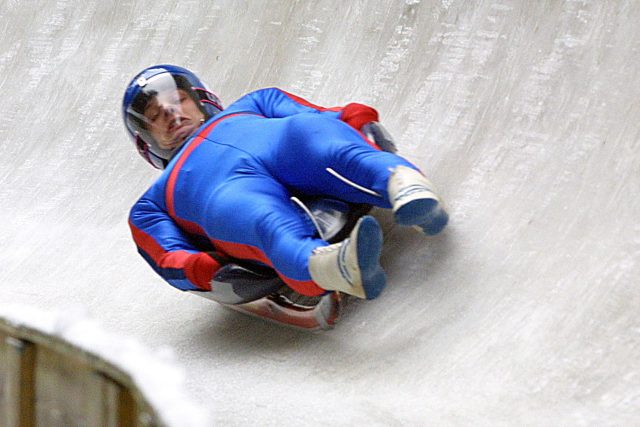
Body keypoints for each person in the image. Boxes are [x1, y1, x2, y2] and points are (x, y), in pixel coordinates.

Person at [123, 64, 448, 301]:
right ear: (147, 140)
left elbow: (320, 116)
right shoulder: (152, 203)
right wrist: (207, 268)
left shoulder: (254, 103)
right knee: (255, 214)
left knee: (311, 136)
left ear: (199, 101)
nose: (170, 113)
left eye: (178, 100)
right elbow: (170, 259)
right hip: (225, 191)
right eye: (155, 115)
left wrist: (356, 118)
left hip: (281, 145)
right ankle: (330, 265)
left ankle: (404, 186)